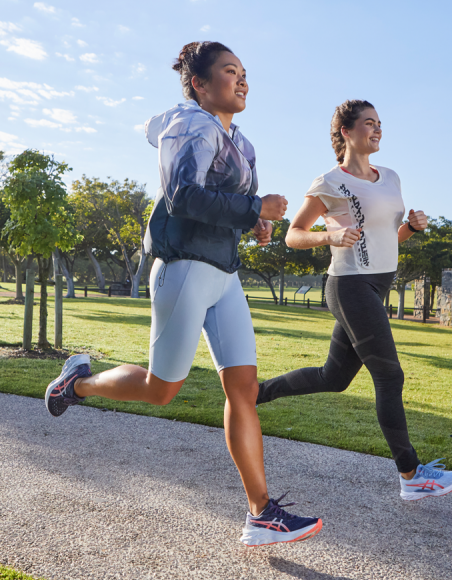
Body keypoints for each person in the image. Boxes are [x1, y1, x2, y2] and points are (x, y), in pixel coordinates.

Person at [45, 41, 322, 547]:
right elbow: (183, 196)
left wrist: (255, 222)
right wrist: (253, 207)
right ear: (198, 83)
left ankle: (261, 513)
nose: (241, 81)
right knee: (161, 389)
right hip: (185, 269)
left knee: (243, 389)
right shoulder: (190, 125)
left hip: (224, 274)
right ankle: (78, 382)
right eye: (229, 72)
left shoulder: (243, 142)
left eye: (244, 74)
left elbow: (234, 206)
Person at [256, 99, 452, 501]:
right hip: (349, 285)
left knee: (333, 378)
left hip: (375, 285)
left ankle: (254, 394)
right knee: (389, 376)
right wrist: (329, 236)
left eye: (380, 123)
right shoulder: (330, 182)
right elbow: (293, 234)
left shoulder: (391, 177)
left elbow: (385, 239)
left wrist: (411, 228)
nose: (377, 129)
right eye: (369, 123)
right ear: (347, 132)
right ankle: (411, 475)